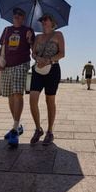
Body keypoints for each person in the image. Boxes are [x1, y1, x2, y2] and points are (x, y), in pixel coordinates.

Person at [0, 7, 35, 148]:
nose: (17, 17)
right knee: (10, 96)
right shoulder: (7, 30)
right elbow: (2, 47)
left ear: (23, 18)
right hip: (7, 65)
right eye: (15, 15)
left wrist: (31, 39)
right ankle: (17, 126)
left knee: (18, 94)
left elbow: (33, 49)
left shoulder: (28, 30)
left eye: (20, 15)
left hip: (21, 64)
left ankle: (15, 128)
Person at [29, 13, 65, 146]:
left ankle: (50, 131)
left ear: (52, 21)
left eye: (46, 19)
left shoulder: (58, 35)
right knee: (32, 99)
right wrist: (38, 58)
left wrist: (48, 60)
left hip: (53, 70)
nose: (43, 22)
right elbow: (33, 53)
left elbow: (62, 53)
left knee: (50, 100)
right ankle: (38, 129)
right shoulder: (38, 37)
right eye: (42, 20)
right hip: (37, 70)